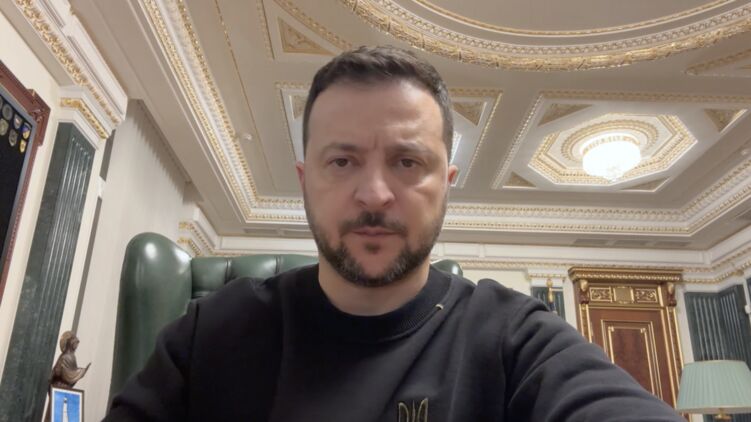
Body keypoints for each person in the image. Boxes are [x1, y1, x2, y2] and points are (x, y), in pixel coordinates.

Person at [106, 46, 683, 421]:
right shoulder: (210, 333)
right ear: (305, 182)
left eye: (407, 162)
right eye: (342, 162)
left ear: (446, 184)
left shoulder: (515, 339)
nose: (375, 194)